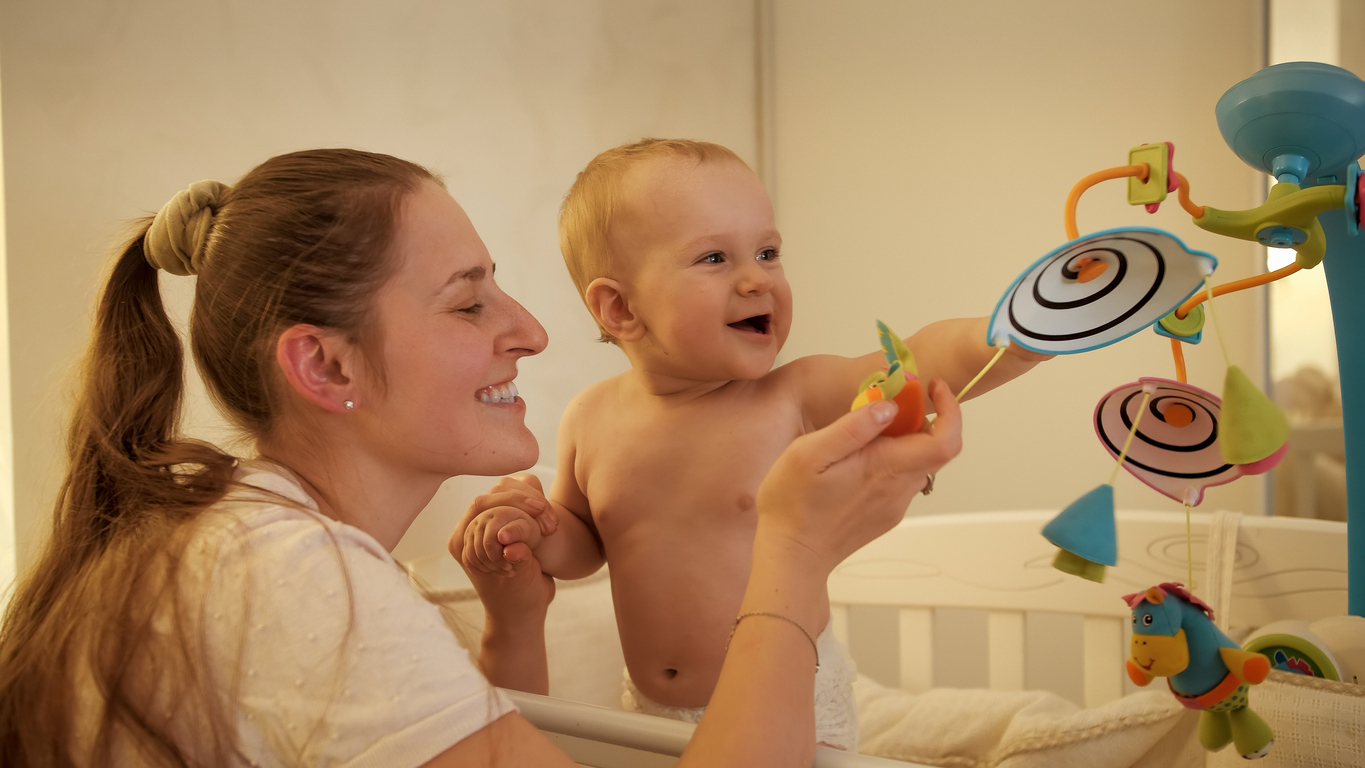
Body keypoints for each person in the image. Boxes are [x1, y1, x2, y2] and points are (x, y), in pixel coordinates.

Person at [0, 147, 963, 767]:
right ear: (325, 364)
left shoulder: (234, 541)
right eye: (469, 301)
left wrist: (517, 622)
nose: (535, 331)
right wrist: (794, 556)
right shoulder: (294, 579)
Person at [456, 139, 1046, 749]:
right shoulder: (591, 416)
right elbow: (587, 542)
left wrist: (1013, 331)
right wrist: (537, 536)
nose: (756, 279)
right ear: (620, 307)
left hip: (795, 701)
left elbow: (919, 359)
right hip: (646, 712)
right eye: (714, 257)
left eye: (768, 252)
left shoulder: (793, 397)